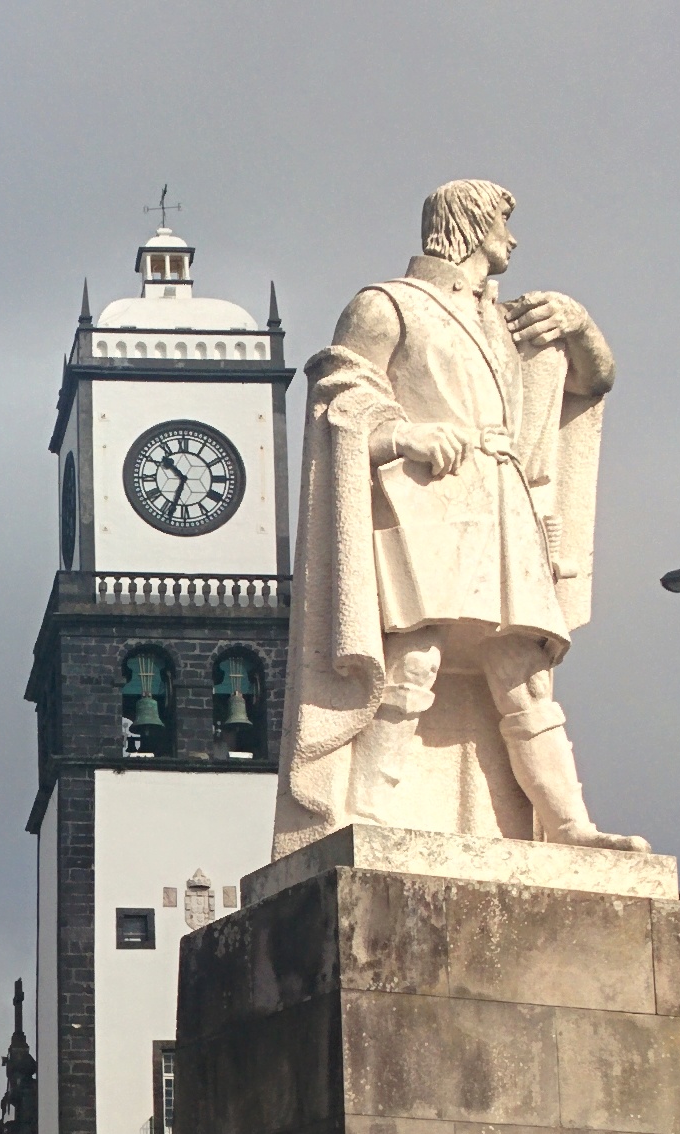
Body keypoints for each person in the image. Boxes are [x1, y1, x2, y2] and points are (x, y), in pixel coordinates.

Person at [275, 179, 641, 859]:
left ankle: (567, 825)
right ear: (473, 226)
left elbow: (596, 378)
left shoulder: (511, 322)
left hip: (504, 504)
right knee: (411, 658)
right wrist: (400, 434)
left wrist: (579, 324)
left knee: (522, 669)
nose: (514, 238)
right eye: (505, 222)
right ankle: (364, 818)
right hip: (427, 498)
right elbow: (339, 393)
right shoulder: (387, 306)